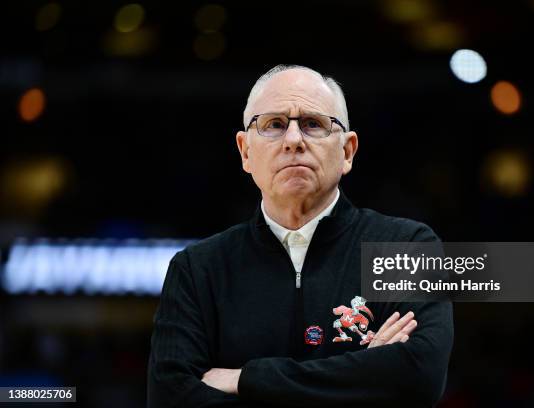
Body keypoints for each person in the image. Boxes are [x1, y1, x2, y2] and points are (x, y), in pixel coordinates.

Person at [147, 64, 454, 408]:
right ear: (245, 151)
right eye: (274, 125)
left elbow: (419, 377)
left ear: (347, 151)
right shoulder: (197, 269)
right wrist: (364, 378)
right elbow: (170, 398)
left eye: (313, 124)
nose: (294, 141)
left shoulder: (406, 247)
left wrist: (246, 379)